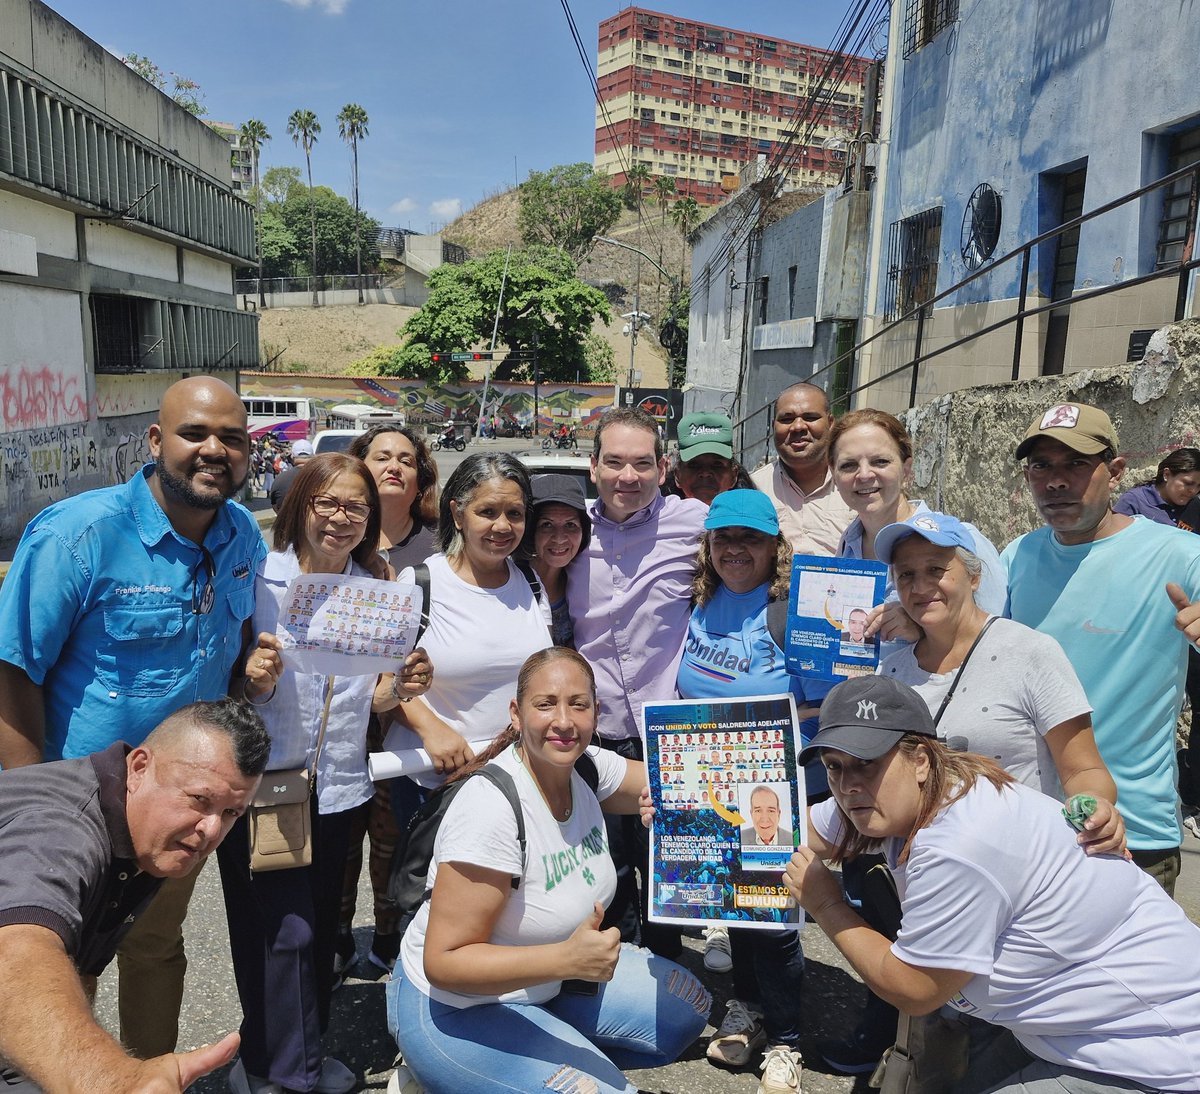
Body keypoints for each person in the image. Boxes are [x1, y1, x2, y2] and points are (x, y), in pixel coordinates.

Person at [0, 375, 264, 1060]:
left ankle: (149, 1077)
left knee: (155, 949)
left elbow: (225, 657)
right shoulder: (77, 536)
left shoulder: (241, 538)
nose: (214, 450)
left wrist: (250, 679)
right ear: (154, 442)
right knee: (58, 971)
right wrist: (37, 805)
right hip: (78, 808)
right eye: (195, 434)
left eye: (232, 439)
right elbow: (12, 671)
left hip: (175, 808)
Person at [785, 675, 1200, 1094]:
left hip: (1153, 1048)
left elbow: (914, 988)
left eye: (866, 762)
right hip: (1067, 1033)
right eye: (834, 767)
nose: (848, 784)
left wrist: (826, 904)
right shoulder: (923, 793)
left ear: (922, 759)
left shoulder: (959, 842)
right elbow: (791, 835)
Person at [386, 648, 710, 1094]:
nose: (564, 720)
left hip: (547, 982)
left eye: (579, 704)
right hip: (454, 1005)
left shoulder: (588, 767)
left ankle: (539, 1048)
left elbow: (681, 780)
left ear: (596, 712)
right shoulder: (491, 808)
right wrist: (567, 959)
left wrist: (676, 805)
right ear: (516, 715)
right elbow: (444, 963)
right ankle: (439, 1068)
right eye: (546, 704)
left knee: (686, 1009)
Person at [218, 453, 432, 1094]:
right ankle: (293, 1074)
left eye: (357, 507)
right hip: (266, 785)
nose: (341, 518)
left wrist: (401, 687)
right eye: (328, 503)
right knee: (283, 932)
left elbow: (374, 700)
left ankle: (270, 1059)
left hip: (339, 786)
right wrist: (250, 681)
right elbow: (223, 680)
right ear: (299, 505)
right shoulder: (258, 577)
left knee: (313, 936)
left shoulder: (377, 590)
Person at [0, 699, 270, 1094]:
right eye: (200, 800)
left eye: (231, 812)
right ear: (140, 767)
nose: (211, 831)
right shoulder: (62, 830)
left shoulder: (146, 830)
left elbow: (79, 966)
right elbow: (16, 952)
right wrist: (113, 1080)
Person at [1003, 402, 1200, 895]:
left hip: (1132, 832)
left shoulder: (1180, 555)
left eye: (1075, 464)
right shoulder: (1015, 557)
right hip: (1028, 823)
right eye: (1041, 466)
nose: (1055, 481)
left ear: (1114, 473)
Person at [675, 489, 823, 1093]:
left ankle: (787, 1038)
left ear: (774, 547)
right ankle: (747, 1009)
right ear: (708, 545)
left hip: (776, 787)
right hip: (710, 785)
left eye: (751, 539)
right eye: (724, 538)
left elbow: (830, 694)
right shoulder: (700, 600)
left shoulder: (790, 608)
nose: (736, 549)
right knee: (734, 908)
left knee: (776, 918)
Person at [567, 407, 707, 956]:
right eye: (616, 462)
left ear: (663, 467)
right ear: (594, 465)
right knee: (608, 871)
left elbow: (774, 562)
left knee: (674, 871)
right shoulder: (567, 528)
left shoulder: (696, 522)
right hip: (595, 730)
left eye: (643, 464)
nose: (629, 476)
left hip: (669, 731)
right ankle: (617, 977)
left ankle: (669, 982)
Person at [332, 424, 441, 977]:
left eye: (406, 459)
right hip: (340, 713)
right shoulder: (335, 533)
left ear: (421, 475)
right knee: (340, 833)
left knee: (392, 834)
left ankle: (390, 935)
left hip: (407, 711)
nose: (394, 466)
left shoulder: (439, 544)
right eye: (381, 457)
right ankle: (335, 935)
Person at [388, 453, 552, 791]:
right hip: (433, 779)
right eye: (488, 512)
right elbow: (382, 683)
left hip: (516, 775)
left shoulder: (531, 583)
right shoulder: (419, 583)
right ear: (458, 514)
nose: (503, 526)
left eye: (515, 514)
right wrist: (430, 728)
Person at [829, 407, 1007, 657]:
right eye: (848, 465)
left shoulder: (962, 542)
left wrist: (921, 630)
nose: (865, 474)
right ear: (834, 476)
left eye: (880, 461)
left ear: (907, 470)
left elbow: (995, 641)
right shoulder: (847, 546)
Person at [750, 383, 854, 555]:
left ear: (831, 423)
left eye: (810, 417)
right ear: (773, 426)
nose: (798, 426)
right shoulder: (753, 489)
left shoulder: (857, 484)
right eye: (786, 419)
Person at [526, 473, 591, 647]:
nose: (560, 538)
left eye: (570, 525)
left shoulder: (584, 582)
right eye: (547, 525)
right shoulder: (509, 582)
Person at [675, 411, 740, 505]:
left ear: (734, 475)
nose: (705, 473)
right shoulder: (660, 519)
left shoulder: (751, 518)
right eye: (694, 465)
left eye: (717, 464)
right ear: (677, 475)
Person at [269, 438, 314, 510]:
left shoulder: (280, 479)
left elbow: (275, 506)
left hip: (286, 520)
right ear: (313, 457)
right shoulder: (322, 479)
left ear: (292, 456)